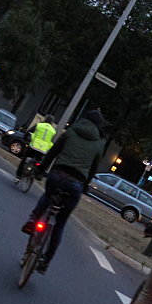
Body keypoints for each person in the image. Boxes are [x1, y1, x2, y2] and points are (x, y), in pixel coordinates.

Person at [21, 109, 109, 273]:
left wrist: (41, 170)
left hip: (57, 175)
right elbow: (93, 169)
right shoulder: (99, 143)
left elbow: (53, 152)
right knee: (60, 223)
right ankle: (45, 261)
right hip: (76, 185)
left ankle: (33, 220)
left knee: (47, 196)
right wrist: (86, 185)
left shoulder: (71, 132)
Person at [14, 114, 57, 180]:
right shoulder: (53, 131)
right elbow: (52, 142)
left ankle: (18, 176)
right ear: (52, 122)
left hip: (33, 146)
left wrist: (26, 138)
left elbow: (29, 132)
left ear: (45, 119)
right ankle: (36, 174)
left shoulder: (39, 125)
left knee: (25, 159)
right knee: (39, 162)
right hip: (43, 150)